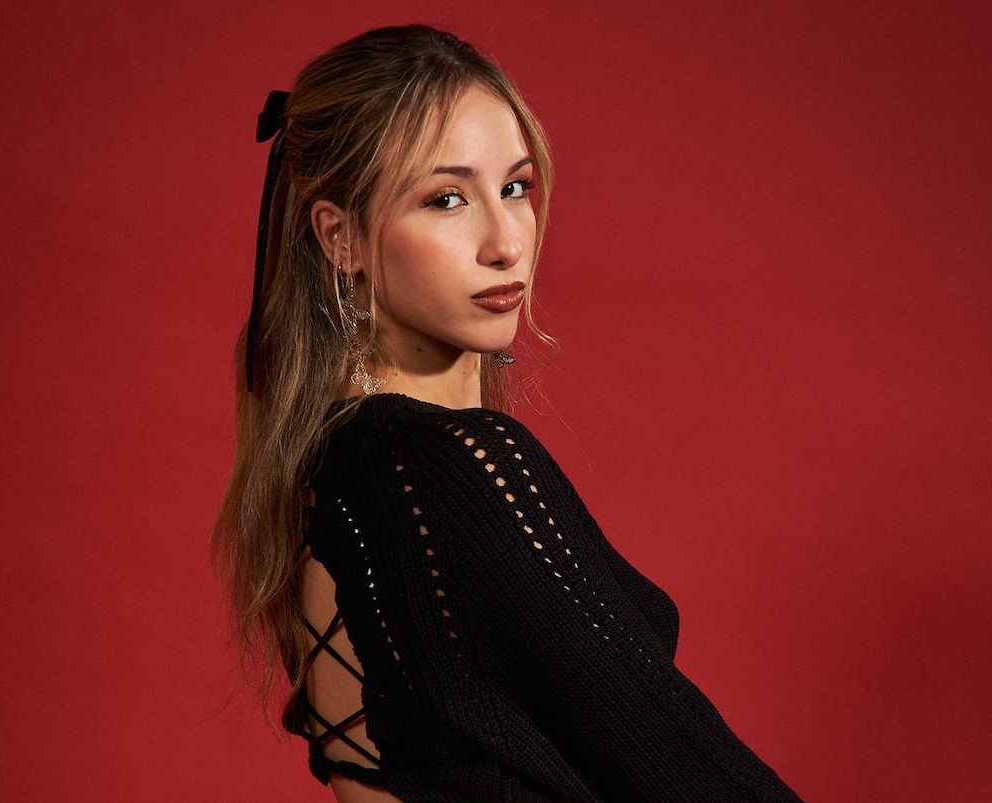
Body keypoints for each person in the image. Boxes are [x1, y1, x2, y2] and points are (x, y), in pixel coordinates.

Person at [213, 24, 802, 803]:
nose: (505, 242)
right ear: (341, 236)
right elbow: (689, 772)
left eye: (516, 187)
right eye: (447, 198)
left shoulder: (332, 465)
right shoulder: (446, 467)